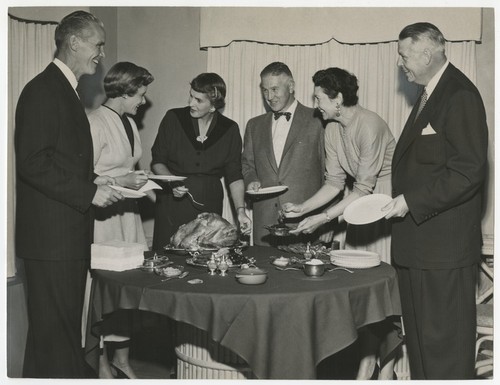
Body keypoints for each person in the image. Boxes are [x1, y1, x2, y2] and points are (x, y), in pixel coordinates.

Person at [14, 11, 123, 378]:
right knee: (57, 343)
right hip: (51, 244)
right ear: (74, 42)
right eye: (98, 44)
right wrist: (88, 192)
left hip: (62, 241)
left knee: (51, 343)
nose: (101, 54)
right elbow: (33, 162)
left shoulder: (63, 90)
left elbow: (63, 159)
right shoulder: (43, 90)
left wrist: (97, 181)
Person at [383, 22, 488, 379]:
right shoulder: (431, 93)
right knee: (424, 353)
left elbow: (467, 172)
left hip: (444, 253)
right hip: (420, 250)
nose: (400, 63)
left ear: (426, 54)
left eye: (403, 54)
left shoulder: (459, 95)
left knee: (444, 354)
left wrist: (409, 201)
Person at [282, 67, 396, 380]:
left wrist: (324, 217)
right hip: (357, 207)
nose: (315, 103)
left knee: (380, 291)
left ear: (338, 99)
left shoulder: (369, 124)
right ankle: (366, 361)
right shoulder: (332, 127)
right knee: (360, 289)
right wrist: (303, 209)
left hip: (383, 204)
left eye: (319, 97)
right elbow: (334, 183)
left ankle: (385, 368)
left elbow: (364, 187)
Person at [88, 61, 154, 379]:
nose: (143, 101)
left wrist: (142, 180)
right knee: (105, 290)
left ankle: (122, 359)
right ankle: (100, 361)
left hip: (129, 215)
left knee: (127, 289)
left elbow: (126, 167)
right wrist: (122, 182)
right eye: (140, 94)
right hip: (104, 218)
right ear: (125, 91)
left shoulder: (128, 122)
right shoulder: (95, 121)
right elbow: (85, 176)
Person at [151, 73, 251, 249]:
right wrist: (172, 183)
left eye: (198, 100)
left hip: (209, 204)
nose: (191, 103)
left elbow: (234, 175)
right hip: (172, 201)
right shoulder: (173, 118)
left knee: (204, 258)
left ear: (213, 107)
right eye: (191, 96)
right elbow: (158, 161)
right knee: (169, 256)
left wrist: (241, 212)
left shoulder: (229, 129)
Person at [241, 62, 325, 246]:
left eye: (274, 89)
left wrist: (327, 220)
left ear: (291, 86)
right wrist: (252, 180)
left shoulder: (318, 120)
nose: (269, 97)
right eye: (265, 90)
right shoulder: (253, 125)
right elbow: (248, 166)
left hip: (305, 221)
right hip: (265, 223)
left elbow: (331, 174)